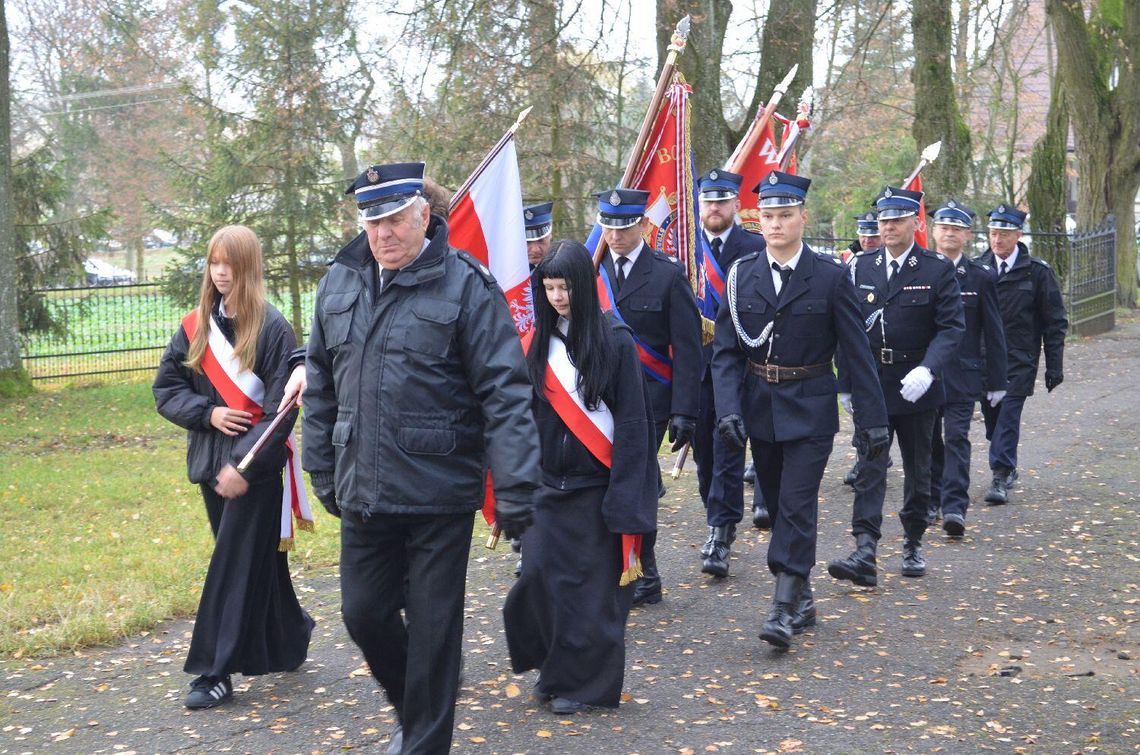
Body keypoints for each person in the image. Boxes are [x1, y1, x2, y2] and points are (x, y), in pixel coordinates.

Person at [302, 162, 541, 754]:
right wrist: (321, 464)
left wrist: (514, 484)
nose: (382, 234)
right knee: (363, 615)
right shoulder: (340, 282)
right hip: (363, 486)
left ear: (423, 217)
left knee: (435, 632)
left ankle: (424, 741)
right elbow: (321, 381)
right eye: (372, 221)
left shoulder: (466, 284)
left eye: (393, 221)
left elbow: (505, 391)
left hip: (439, 490)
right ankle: (418, 708)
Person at [713, 171, 889, 649]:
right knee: (772, 502)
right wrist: (727, 408)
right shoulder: (741, 275)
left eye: (785, 216)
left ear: (802, 218)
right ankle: (802, 593)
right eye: (768, 216)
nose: (775, 225)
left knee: (795, 504)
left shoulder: (830, 277)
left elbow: (856, 352)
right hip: (758, 407)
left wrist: (873, 423)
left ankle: (783, 605)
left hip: (810, 406)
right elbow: (727, 351)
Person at [153, 225, 314, 710]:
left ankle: (213, 671)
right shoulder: (193, 326)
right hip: (210, 465)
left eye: (231, 264)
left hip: (255, 471)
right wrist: (208, 413)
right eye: (214, 262)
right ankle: (288, 637)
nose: (221, 272)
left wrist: (245, 464)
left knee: (231, 565)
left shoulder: (273, 327)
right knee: (254, 561)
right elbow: (166, 391)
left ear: (249, 268)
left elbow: (283, 409)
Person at [503, 240, 658, 714]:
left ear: (584, 287)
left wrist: (628, 498)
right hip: (547, 487)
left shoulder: (616, 340)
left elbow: (634, 425)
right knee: (538, 579)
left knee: (590, 596)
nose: (557, 297)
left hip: (598, 488)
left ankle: (582, 685)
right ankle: (552, 668)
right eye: (548, 288)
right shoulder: (535, 346)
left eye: (565, 286)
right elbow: (523, 419)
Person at [830, 184, 964, 584]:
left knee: (918, 468)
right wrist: (847, 384)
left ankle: (913, 539)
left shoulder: (936, 269)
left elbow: (952, 328)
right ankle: (865, 548)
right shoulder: (860, 267)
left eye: (896, 220)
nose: (887, 227)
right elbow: (847, 329)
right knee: (870, 465)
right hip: (874, 382)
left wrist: (929, 370)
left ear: (915, 223)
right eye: (884, 219)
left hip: (917, 384)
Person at [595, 187, 703, 597]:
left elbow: (689, 349)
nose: (615, 236)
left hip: (651, 399)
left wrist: (685, 411)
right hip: (599, 398)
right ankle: (616, 561)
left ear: (642, 224)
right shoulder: (592, 268)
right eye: (608, 226)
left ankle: (647, 570)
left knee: (634, 480)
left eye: (623, 227)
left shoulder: (667, 274)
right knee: (610, 480)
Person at [692, 168, 770, 552]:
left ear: (737, 205)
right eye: (708, 200)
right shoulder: (684, 250)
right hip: (698, 366)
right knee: (704, 452)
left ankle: (721, 530)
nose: (714, 207)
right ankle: (715, 510)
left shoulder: (755, 247)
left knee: (731, 444)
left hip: (745, 361)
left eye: (722, 200)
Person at [977, 204, 1068, 504]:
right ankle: (1006, 462)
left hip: (1019, 360)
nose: (997, 240)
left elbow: (1054, 323)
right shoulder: (978, 269)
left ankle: (1000, 474)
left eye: (1003, 234)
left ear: (1018, 235)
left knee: (1007, 416)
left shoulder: (1037, 272)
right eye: (992, 233)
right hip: (984, 360)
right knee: (993, 421)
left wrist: (1054, 366)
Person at [927, 201, 1007, 537]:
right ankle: (930, 499)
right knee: (928, 440)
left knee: (957, 437)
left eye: (956, 229)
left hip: (963, 372)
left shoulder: (980, 276)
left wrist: (998, 379)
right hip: (925, 373)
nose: (949, 234)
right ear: (933, 232)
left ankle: (954, 506)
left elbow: (993, 329)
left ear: (967, 236)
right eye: (944, 227)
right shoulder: (922, 271)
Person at [842, 209, 885, 485]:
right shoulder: (849, 264)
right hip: (861, 350)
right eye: (864, 234)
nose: (868, 239)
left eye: (874, 234)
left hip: (890, 350)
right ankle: (863, 459)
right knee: (861, 411)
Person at [524, 201, 554, 269]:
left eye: (541, 240)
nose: (535, 250)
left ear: (550, 235)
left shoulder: (565, 269)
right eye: (527, 242)